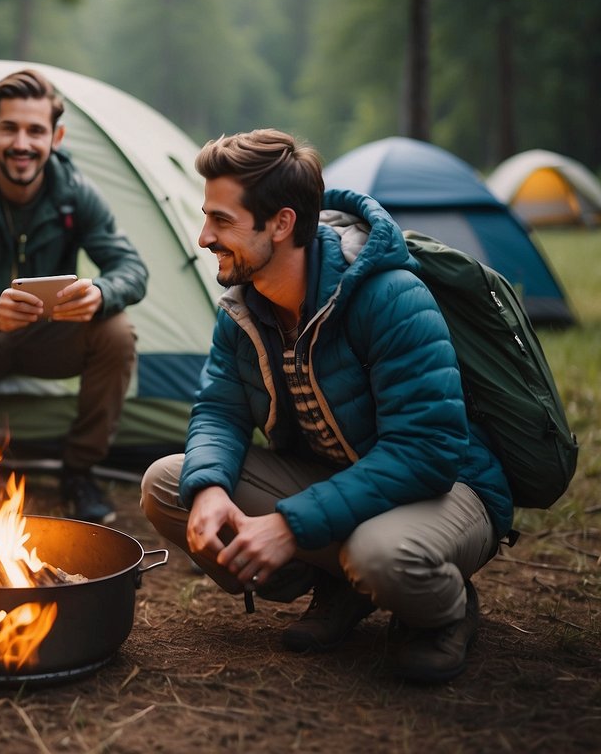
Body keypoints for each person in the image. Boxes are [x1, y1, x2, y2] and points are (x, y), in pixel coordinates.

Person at [140, 129, 513, 684]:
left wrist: (290, 527)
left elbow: (427, 452)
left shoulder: (390, 296)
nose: (202, 238)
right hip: (341, 480)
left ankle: (445, 611)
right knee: (170, 485)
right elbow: (218, 409)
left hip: (449, 488)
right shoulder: (243, 308)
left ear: (282, 223)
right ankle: (339, 586)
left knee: (379, 556)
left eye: (222, 221)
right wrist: (212, 488)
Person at [0, 68, 148, 524]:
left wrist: (99, 293)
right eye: (10, 128)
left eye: (35, 131)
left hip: (52, 340)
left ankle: (79, 472)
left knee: (117, 330)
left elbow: (132, 269)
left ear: (56, 137)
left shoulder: (76, 194)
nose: (22, 143)